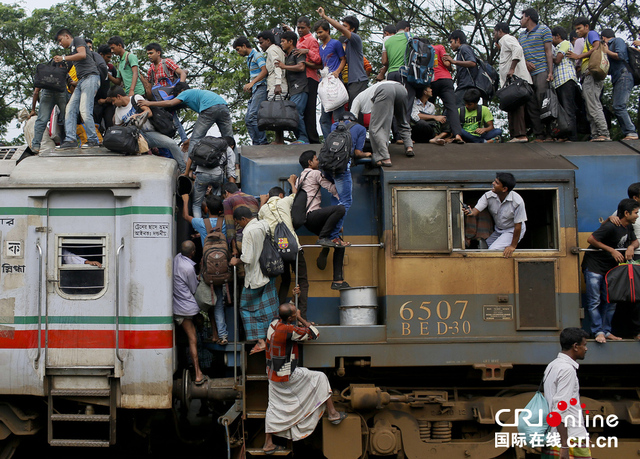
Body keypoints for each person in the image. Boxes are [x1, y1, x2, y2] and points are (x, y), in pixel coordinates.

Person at [262, 302, 346, 454]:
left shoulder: (273, 324)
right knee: (320, 377)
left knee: (273, 407)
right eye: (294, 313)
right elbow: (314, 333)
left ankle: (268, 443)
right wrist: (301, 318)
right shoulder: (289, 329)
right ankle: (333, 414)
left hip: (272, 374)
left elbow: (287, 319)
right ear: (291, 317)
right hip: (287, 375)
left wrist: (293, 312)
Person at [581, 198, 639, 343]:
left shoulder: (628, 226)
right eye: (636, 213)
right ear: (626, 213)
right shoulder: (611, 226)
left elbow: (635, 240)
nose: (637, 216)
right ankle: (597, 331)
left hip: (610, 269)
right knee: (594, 301)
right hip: (594, 266)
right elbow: (591, 239)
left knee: (611, 301)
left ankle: (606, 331)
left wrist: (631, 247)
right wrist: (612, 250)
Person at [229, 206, 279, 355]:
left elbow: (248, 258)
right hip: (268, 272)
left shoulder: (249, 231)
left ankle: (260, 341)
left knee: (246, 308)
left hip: (255, 277)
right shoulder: (263, 224)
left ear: (244, 219)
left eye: (238, 222)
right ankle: (273, 335)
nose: (239, 225)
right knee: (270, 306)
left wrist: (236, 261)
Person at [180, 193, 229, 345]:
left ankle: (216, 333)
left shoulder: (201, 222)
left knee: (207, 300)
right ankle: (222, 335)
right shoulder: (226, 222)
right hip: (223, 269)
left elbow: (185, 216)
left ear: (206, 208)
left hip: (207, 270)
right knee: (220, 302)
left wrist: (186, 200)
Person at [296, 150, 349, 290]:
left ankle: (338, 281)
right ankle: (324, 238)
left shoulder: (299, 178)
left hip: (307, 221)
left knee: (339, 243)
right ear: (310, 162)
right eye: (316, 159)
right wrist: (344, 195)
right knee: (340, 209)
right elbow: (330, 187)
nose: (318, 162)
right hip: (313, 215)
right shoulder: (314, 173)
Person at [258, 178, 310, 318]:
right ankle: (302, 317)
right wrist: (292, 183)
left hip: (278, 252)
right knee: (302, 282)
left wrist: (262, 202)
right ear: (280, 195)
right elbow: (296, 196)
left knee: (285, 281)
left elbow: (259, 221)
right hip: (294, 249)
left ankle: (279, 317)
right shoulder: (284, 201)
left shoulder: (263, 209)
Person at [138, 83, 233, 154]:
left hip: (209, 108)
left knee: (195, 140)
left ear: (181, 91)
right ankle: (236, 166)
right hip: (224, 106)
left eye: (178, 95)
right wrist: (188, 139)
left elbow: (170, 103)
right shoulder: (198, 94)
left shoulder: (186, 92)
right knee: (229, 139)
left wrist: (149, 103)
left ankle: (190, 169)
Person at [108, 86, 187, 172]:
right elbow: (119, 129)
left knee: (171, 144)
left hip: (148, 134)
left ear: (119, 96)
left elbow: (148, 112)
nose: (113, 103)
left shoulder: (135, 98)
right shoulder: (118, 111)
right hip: (135, 140)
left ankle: (184, 170)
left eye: (113, 100)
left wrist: (137, 116)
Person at [541, 328, 591, 459]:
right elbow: (560, 408)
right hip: (570, 439)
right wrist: (565, 444)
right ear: (575, 346)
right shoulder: (567, 369)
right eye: (584, 345)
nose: (586, 349)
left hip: (554, 435)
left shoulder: (553, 365)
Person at [53, 29, 101, 149]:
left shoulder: (77, 40)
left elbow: (83, 54)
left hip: (90, 78)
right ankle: (70, 139)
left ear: (67, 36)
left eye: (60, 40)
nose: (60, 43)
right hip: (81, 81)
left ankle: (93, 139)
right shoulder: (72, 50)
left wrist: (63, 58)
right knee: (70, 109)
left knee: (84, 110)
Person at [324, 113, 366, 245]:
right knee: (346, 201)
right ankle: (333, 234)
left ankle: (334, 227)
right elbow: (357, 153)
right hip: (341, 167)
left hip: (327, 167)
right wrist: (368, 154)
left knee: (336, 196)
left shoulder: (334, 126)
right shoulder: (361, 129)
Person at [567, 17, 611, 142]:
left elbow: (596, 47)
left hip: (591, 74)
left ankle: (603, 132)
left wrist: (578, 56)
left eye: (579, 28)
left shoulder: (591, 34)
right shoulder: (586, 39)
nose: (578, 32)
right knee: (589, 104)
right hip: (587, 75)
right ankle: (596, 134)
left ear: (587, 26)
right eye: (576, 29)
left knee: (593, 104)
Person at [463, 172, 527, 258]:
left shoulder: (517, 202)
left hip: (512, 230)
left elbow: (518, 226)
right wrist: (470, 212)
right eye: (494, 181)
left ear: (504, 189)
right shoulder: (488, 196)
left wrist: (512, 246)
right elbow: (475, 211)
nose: (493, 183)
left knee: (493, 250)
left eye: (496, 183)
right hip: (499, 230)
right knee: (483, 248)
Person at [351, 81, 413, 167]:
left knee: (375, 128)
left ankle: (384, 158)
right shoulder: (367, 93)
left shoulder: (356, 100)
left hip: (384, 90)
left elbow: (351, 120)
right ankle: (409, 147)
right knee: (402, 120)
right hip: (401, 88)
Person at [316, 7, 368, 107]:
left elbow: (340, 28)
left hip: (357, 80)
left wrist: (324, 17)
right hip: (349, 80)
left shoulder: (355, 39)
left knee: (355, 109)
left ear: (352, 29)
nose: (341, 28)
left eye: (345, 26)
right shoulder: (346, 43)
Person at [173, 240, 206, 385]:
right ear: (193, 253)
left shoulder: (176, 259)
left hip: (177, 305)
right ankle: (198, 373)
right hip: (185, 308)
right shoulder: (188, 268)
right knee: (193, 339)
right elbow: (193, 288)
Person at [518, 8, 553, 141]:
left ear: (528, 18)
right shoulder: (521, 35)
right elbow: (519, 55)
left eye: (522, 17)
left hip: (542, 70)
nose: (521, 20)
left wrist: (550, 72)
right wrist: (525, 62)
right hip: (527, 74)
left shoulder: (544, 30)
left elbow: (548, 51)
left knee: (543, 101)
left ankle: (550, 133)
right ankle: (539, 134)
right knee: (531, 104)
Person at [494, 23, 532, 143]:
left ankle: (520, 135)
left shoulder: (507, 38)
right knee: (512, 107)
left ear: (500, 31)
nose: (494, 35)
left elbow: (518, 49)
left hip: (517, 81)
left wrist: (512, 69)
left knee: (517, 107)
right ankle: (515, 135)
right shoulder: (504, 43)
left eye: (494, 32)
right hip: (512, 82)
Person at [145, 42, 189, 145]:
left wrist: (180, 87)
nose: (149, 56)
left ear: (158, 53)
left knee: (173, 117)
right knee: (166, 119)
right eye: (148, 54)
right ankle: (180, 140)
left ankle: (184, 140)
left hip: (170, 95)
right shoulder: (151, 69)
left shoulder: (166, 62)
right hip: (159, 99)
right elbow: (149, 85)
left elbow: (182, 72)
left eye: (151, 53)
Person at [182, 136, 237, 218]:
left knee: (197, 204)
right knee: (215, 201)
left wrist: (186, 173)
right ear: (231, 146)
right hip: (217, 175)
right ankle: (215, 223)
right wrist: (233, 193)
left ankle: (198, 228)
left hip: (201, 174)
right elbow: (231, 171)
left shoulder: (204, 144)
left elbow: (191, 157)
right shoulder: (228, 149)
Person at [601, 29, 639, 141]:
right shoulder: (609, 47)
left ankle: (631, 132)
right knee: (617, 106)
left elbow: (621, 55)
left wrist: (606, 51)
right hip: (618, 77)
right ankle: (628, 132)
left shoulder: (617, 41)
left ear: (604, 38)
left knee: (619, 105)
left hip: (624, 75)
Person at [232, 36, 268, 146]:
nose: (238, 52)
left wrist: (252, 83)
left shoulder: (257, 55)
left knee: (253, 116)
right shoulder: (250, 58)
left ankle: (262, 143)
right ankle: (256, 143)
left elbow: (264, 70)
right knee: (248, 119)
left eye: (238, 49)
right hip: (256, 89)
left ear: (244, 46)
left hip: (261, 87)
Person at [314, 19, 346, 138]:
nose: (319, 35)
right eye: (317, 33)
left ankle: (340, 140)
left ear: (327, 31)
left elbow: (343, 59)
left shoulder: (335, 43)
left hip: (335, 80)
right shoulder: (320, 47)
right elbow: (321, 64)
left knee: (338, 115)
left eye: (321, 32)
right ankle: (329, 141)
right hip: (325, 82)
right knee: (324, 117)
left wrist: (337, 71)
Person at [275, 31, 310, 144]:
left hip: (300, 87)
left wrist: (283, 66)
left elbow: (301, 67)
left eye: (283, 41)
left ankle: (303, 139)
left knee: (297, 112)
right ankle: (299, 138)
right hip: (293, 90)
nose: (281, 44)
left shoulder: (297, 53)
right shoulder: (287, 56)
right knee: (292, 114)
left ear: (290, 42)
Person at [429, 41, 465, 143]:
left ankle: (432, 135)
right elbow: (446, 63)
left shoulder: (423, 50)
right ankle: (457, 135)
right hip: (445, 80)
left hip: (431, 81)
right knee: (452, 108)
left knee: (429, 107)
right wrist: (451, 68)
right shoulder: (439, 47)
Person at [257, 30, 288, 145]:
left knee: (277, 114)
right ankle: (278, 139)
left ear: (268, 41)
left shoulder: (272, 49)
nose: (260, 45)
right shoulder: (276, 49)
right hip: (274, 84)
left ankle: (279, 140)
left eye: (261, 42)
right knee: (276, 113)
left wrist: (278, 84)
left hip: (276, 85)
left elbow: (277, 65)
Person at [295, 16, 322, 144]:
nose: (300, 30)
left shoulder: (312, 40)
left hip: (311, 78)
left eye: (302, 28)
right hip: (300, 79)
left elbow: (318, 59)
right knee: (301, 109)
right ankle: (303, 137)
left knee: (310, 110)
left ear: (309, 28)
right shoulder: (298, 41)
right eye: (298, 28)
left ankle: (313, 139)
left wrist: (307, 51)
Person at [551, 27, 579, 142]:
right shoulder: (557, 47)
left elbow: (558, 60)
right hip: (559, 82)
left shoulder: (565, 43)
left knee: (568, 109)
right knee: (562, 111)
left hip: (566, 79)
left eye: (552, 37)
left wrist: (547, 55)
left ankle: (572, 136)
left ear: (558, 36)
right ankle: (564, 135)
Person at [222, 182, 260, 261]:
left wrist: (234, 248)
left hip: (241, 238)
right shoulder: (253, 198)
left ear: (226, 192)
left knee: (243, 264)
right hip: (257, 235)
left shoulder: (228, 201)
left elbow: (230, 226)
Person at [29, 86, 67, 154]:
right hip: (61, 90)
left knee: (42, 120)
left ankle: (36, 145)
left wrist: (33, 109)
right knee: (66, 118)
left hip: (47, 91)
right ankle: (69, 141)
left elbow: (36, 92)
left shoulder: (44, 75)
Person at [446, 30, 478, 107]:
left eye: (451, 42)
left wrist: (454, 62)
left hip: (467, 86)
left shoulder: (464, 48)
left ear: (458, 40)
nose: (450, 45)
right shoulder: (460, 51)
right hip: (464, 86)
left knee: (452, 109)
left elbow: (472, 63)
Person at [94, 44, 118, 132]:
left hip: (108, 101)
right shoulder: (93, 67)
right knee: (96, 124)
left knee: (110, 123)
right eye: (108, 57)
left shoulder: (111, 68)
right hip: (96, 101)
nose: (109, 59)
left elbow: (116, 84)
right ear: (101, 55)